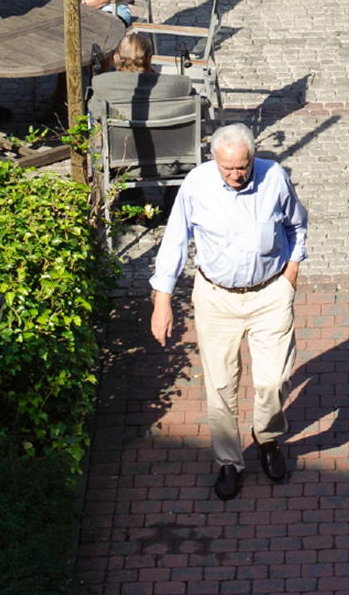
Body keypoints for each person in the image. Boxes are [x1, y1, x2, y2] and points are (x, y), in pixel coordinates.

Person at [149, 124, 310, 501]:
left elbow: (297, 225)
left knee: (273, 380)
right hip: (216, 298)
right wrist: (162, 300)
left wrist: (291, 273)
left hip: (269, 293)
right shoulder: (196, 184)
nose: (236, 176)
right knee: (221, 386)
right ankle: (229, 462)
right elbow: (174, 240)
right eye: (228, 169)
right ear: (214, 160)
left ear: (252, 158)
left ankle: (267, 438)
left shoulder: (275, 178)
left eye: (242, 167)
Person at [89, 31, 198, 116]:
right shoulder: (180, 84)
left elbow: (95, 111)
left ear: (115, 58)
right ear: (149, 58)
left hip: (121, 142)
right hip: (172, 143)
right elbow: (199, 107)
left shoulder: (102, 83)